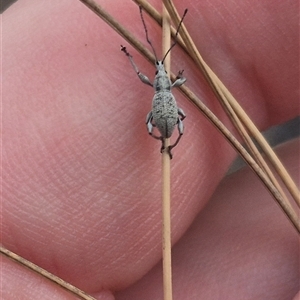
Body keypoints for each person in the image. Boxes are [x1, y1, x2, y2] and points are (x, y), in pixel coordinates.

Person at [2, 0, 299, 299]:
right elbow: (156, 79)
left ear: (164, 79)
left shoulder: (164, 89)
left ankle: (165, 146)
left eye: (162, 72)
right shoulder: (166, 87)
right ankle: (165, 146)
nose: (158, 73)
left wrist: (142, 64)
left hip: (164, 112)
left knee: (163, 127)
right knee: (165, 126)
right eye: (159, 72)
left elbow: (155, 80)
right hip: (165, 111)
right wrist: (135, 58)